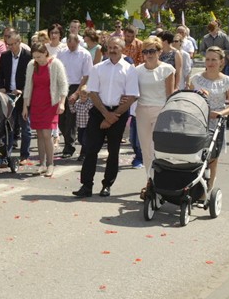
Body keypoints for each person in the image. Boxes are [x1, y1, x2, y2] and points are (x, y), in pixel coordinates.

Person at [73, 37, 139, 198]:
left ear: (123, 48)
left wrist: (113, 116)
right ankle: (86, 185)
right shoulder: (98, 68)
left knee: (113, 151)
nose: (112, 50)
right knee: (91, 149)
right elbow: (93, 92)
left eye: (116, 47)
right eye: (109, 47)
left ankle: (107, 185)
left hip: (119, 113)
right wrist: (105, 115)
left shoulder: (130, 69)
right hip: (99, 112)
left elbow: (133, 96)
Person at [188, 46, 229, 194]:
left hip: (216, 121)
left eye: (214, 60)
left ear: (221, 62)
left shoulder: (227, 81)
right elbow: (189, 98)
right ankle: (193, 182)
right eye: (208, 59)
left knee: (212, 157)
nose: (210, 63)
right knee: (194, 153)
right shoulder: (196, 79)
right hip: (197, 120)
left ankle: (209, 187)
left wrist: (221, 113)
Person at [22, 42, 68, 177]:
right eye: (35, 57)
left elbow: (63, 84)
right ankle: (41, 164)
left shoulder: (55, 64)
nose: (38, 60)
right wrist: (25, 106)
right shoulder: (31, 65)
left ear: (46, 53)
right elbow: (28, 86)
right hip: (36, 103)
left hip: (51, 103)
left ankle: (50, 164)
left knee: (48, 134)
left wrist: (62, 103)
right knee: (40, 135)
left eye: (40, 57)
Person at [134, 37, 175, 182]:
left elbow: (170, 94)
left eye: (152, 51)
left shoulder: (167, 69)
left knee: (155, 148)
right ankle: (149, 180)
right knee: (145, 149)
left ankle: (161, 180)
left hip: (160, 110)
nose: (149, 54)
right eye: (145, 51)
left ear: (159, 51)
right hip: (142, 111)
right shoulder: (137, 70)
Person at [0, 30, 33, 161]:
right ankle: (6, 155)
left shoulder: (28, 56)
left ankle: (24, 155)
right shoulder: (5, 56)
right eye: (8, 44)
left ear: (19, 42)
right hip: (8, 95)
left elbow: (32, 78)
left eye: (12, 44)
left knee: (25, 127)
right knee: (8, 126)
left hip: (24, 96)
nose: (10, 47)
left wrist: (22, 90)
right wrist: (1, 87)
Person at [56, 33, 92, 159]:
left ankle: (69, 147)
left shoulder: (84, 54)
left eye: (73, 45)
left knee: (71, 119)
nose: (70, 48)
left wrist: (77, 92)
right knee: (61, 119)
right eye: (69, 45)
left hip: (76, 85)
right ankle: (68, 140)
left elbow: (86, 75)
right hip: (62, 85)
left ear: (78, 43)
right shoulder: (62, 52)